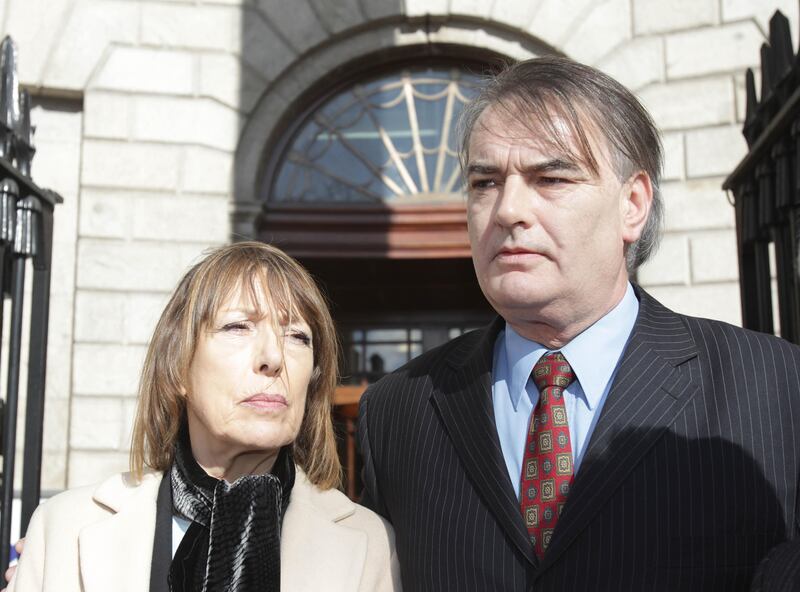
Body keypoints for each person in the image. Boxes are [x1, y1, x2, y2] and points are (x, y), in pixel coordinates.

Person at [357, 56, 800, 591]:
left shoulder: (774, 387)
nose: (508, 210)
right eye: (485, 182)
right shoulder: (396, 410)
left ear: (632, 204)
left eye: (551, 177)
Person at [9, 242, 401, 592]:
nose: (274, 358)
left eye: (297, 336)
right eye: (237, 327)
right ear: (178, 368)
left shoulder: (371, 544)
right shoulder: (64, 528)